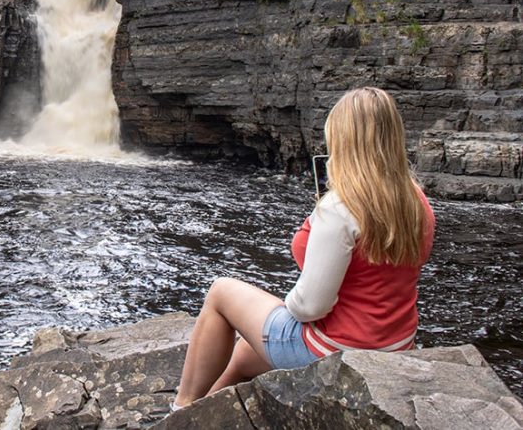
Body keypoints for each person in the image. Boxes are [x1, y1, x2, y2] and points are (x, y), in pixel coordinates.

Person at [172, 87, 436, 409]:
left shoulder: (340, 209)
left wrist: (289, 304)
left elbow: (309, 307)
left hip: (336, 351)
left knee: (220, 292)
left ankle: (182, 407)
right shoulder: (416, 200)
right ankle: (207, 413)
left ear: (344, 142)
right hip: (394, 346)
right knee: (244, 353)